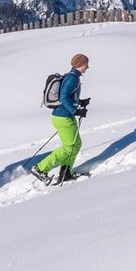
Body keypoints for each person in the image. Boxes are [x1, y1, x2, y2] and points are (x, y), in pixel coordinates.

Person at [31, 53, 91, 185]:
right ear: (80, 64)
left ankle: (66, 173)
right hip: (63, 117)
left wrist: (80, 102)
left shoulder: (72, 76)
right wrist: (76, 111)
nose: (88, 66)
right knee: (69, 146)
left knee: (76, 144)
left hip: (63, 116)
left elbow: (68, 96)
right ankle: (39, 168)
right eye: (86, 64)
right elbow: (64, 97)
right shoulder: (72, 78)